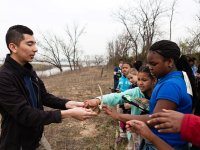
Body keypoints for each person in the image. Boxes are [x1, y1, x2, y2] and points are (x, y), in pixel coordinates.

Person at [0, 25, 97, 150]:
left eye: (35, 44)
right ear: (13, 47)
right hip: (18, 143)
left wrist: (70, 104)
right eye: (30, 44)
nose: (35, 49)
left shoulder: (29, 71)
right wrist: (69, 113)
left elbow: (44, 97)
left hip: (37, 137)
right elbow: (25, 114)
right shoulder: (4, 78)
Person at [102, 40, 197, 150]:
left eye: (154, 64)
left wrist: (119, 116)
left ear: (170, 62)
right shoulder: (175, 77)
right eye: (148, 63)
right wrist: (151, 103)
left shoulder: (170, 85)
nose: (150, 67)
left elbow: (154, 120)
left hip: (164, 143)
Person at [84, 66, 157, 150]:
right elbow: (117, 97)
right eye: (139, 79)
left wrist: (149, 103)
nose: (140, 83)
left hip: (154, 135)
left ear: (153, 81)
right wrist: (98, 100)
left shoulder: (160, 93)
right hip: (136, 132)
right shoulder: (135, 92)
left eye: (144, 80)